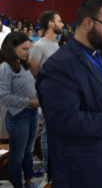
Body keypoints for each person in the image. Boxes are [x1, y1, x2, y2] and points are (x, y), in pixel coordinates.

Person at [36, 0, 102, 188]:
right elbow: (61, 119)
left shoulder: (95, 56)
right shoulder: (60, 65)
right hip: (82, 172)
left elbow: (97, 98)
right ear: (88, 23)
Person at [0, 32, 41, 188]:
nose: (28, 52)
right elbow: (4, 95)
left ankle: (29, 182)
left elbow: (29, 88)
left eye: (28, 48)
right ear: (12, 48)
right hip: (18, 117)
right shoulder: (5, 67)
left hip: (31, 114)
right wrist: (31, 102)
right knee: (17, 157)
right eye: (24, 49)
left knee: (28, 151)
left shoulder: (23, 65)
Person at [28, 10, 64, 181]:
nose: (62, 23)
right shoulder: (39, 45)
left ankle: (56, 168)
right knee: (48, 134)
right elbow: (31, 68)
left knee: (56, 133)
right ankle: (49, 172)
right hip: (48, 96)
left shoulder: (55, 44)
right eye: (59, 21)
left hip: (58, 96)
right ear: (51, 24)